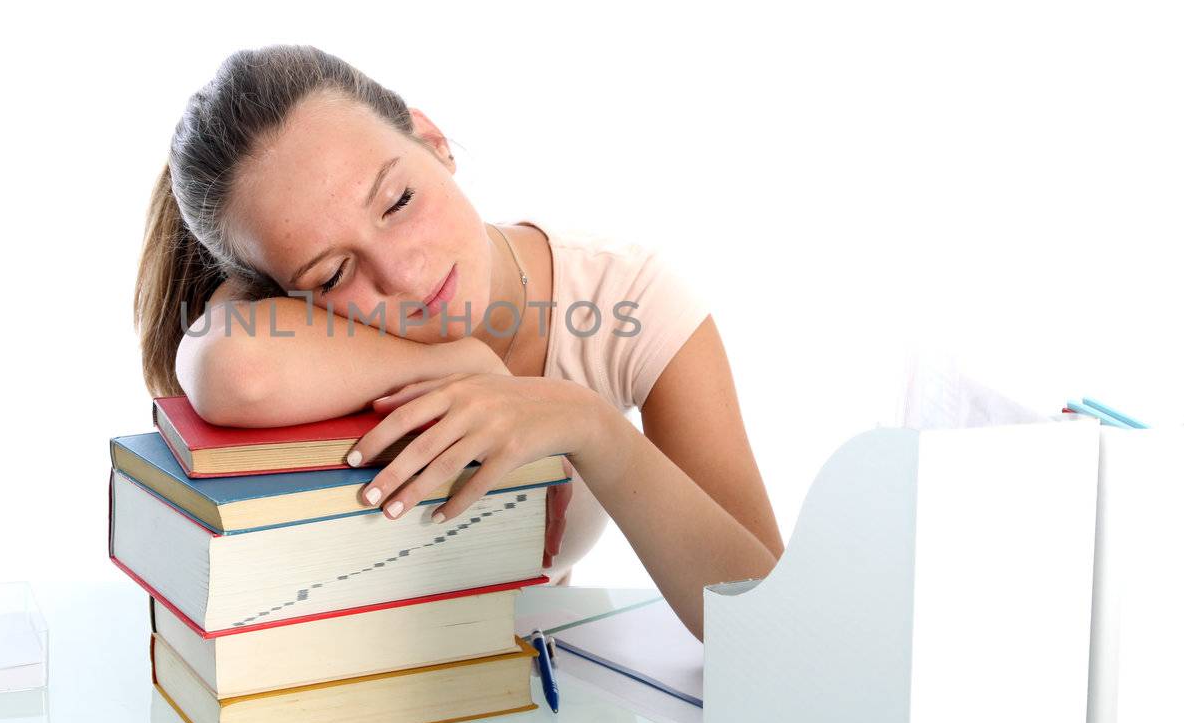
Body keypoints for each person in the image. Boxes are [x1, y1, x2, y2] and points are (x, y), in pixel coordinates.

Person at [132, 45, 781, 637]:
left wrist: (590, 424)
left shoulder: (624, 297)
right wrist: (458, 359)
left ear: (433, 140)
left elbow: (767, 625)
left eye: (398, 200)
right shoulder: (291, 332)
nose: (406, 273)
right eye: (332, 272)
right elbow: (233, 369)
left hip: (531, 704)